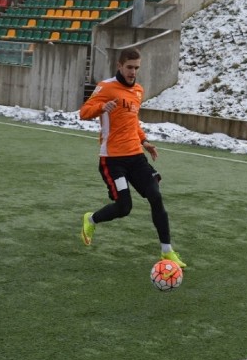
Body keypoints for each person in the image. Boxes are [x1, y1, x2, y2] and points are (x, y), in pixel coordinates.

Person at [78, 48, 186, 268]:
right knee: (124, 207)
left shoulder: (138, 90)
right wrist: (101, 107)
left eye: (137, 68)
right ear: (120, 65)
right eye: (129, 67)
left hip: (136, 157)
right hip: (113, 161)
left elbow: (132, 121)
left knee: (155, 196)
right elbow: (84, 112)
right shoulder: (106, 87)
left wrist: (144, 141)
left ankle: (167, 251)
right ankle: (91, 219)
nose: (133, 72)